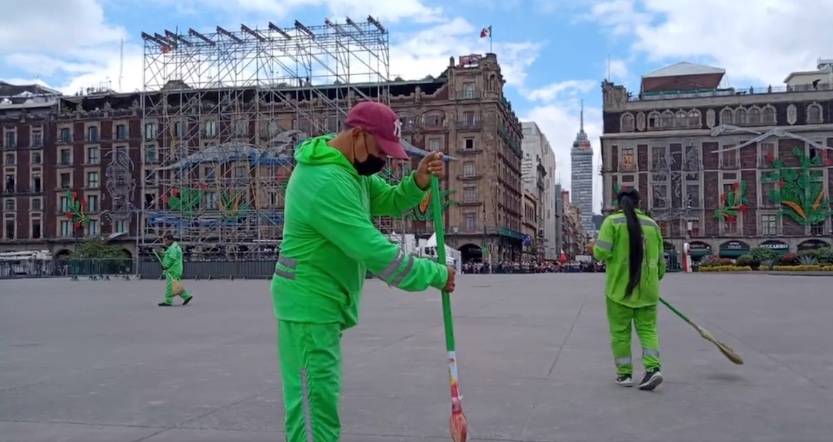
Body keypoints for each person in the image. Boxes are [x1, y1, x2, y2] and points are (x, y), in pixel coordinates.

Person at [271, 101, 456, 441]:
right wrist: (435, 274)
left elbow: (387, 199)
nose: (383, 161)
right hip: (308, 303)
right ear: (358, 135)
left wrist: (418, 181)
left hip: (323, 299)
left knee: (319, 396)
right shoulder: (325, 180)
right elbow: (373, 250)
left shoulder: (347, 166)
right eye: (381, 152)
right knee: (314, 406)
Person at [593, 189, 665, 391]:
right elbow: (661, 263)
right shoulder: (652, 225)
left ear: (618, 202)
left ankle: (624, 374)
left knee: (620, 333)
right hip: (648, 291)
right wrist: (654, 280)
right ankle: (653, 369)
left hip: (619, 291)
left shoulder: (612, 222)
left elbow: (601, 252)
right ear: (639, 202)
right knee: (648, 330)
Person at [158, 233, 192, 307]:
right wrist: (163, 254)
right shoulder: (174, 247)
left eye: (166, 241)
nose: (165, 242)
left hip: (173, 269)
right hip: (175, 269)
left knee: (170, 286)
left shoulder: (173, 248)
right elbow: (170, 256)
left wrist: (166, 266)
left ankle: (168, 301)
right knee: (176, 285)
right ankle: (186, 296)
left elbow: (171, 258)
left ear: (170, 240)